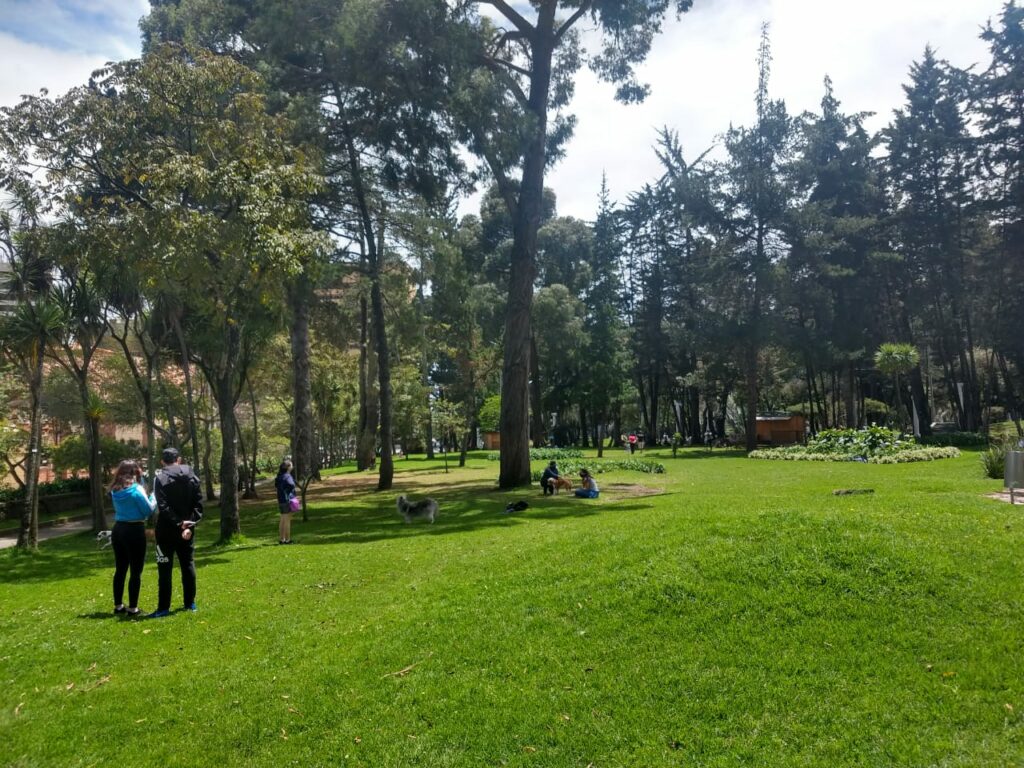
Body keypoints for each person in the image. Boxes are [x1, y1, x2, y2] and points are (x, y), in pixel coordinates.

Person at [150, 447, 203, 618]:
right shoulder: (192, 476)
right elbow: (199, 503)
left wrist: (178, 522)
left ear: (162, 462)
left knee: (164, 569)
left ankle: (163, 607)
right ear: (178, 459)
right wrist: (189, 522)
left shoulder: (160, 478)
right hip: (187, 530)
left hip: (166, 530)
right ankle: (190, 603)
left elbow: (162, 506)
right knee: (188, 564)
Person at [109, 460, 156, 617]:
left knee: (120, 569)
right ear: (136, 473)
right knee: (136, 570)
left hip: (118, 529)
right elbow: (148, 511)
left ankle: (118, 605)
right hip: (134, 530)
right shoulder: (136, 490)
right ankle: (133, 608)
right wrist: (154, 498)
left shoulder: (115, 490)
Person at [275, 460, 297, 544]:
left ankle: (282, 539)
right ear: (288, 467)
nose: (292, 467)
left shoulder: (279, 476)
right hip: (287, 499)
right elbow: (291, 485)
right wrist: (289, 492)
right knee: (287, 520)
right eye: (291, 465)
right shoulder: (287, 476)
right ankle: (288, 540)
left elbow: (276, 486)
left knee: (282, 519)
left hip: (280, 499)